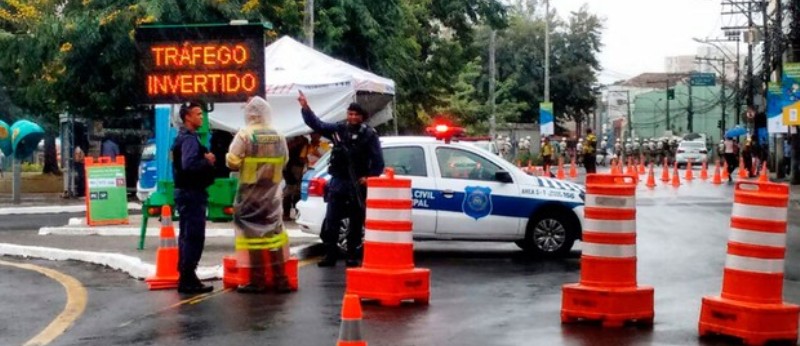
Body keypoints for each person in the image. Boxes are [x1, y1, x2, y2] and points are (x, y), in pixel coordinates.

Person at [298, 91, 384, 267]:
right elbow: (317, 124)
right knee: (332, 220)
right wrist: (305, 107)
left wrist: (369, 178)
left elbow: (378, 161)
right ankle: (330, 255)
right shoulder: (339, 130)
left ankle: (352, 255)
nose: (352, 117)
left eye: (356, 115)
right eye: (350, 114)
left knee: (355, 221)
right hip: (338, 182)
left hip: (357, 183)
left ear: (362, 117)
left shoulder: (369, 135)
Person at [226, 96, 292, 294]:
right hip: (272, 194)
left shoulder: (244, 135)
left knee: (253, 237)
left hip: (250, 194)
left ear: (249, 114)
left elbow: (232, 162)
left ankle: (258, 280)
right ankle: (281, 279)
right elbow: (286, 160)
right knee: (274, 235)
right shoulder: (279, 135)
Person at [172, 102, 216, 294]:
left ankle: (187, 275)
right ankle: (188, 277)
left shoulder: (183, 138)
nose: (201, 117)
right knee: (194, 236)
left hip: (186, 193)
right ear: (187, 117)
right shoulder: (189, 140)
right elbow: (189, 164)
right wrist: (206, 161)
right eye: (198, 114)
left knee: (186, 234)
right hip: (192, 193)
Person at [282, 136, 308, 220]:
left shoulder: (302, 140)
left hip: (294, 167)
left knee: (296, 190)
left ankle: (294, 213)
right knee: (291, 190)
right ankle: (287, 214)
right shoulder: (294, 140)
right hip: (292, 167)